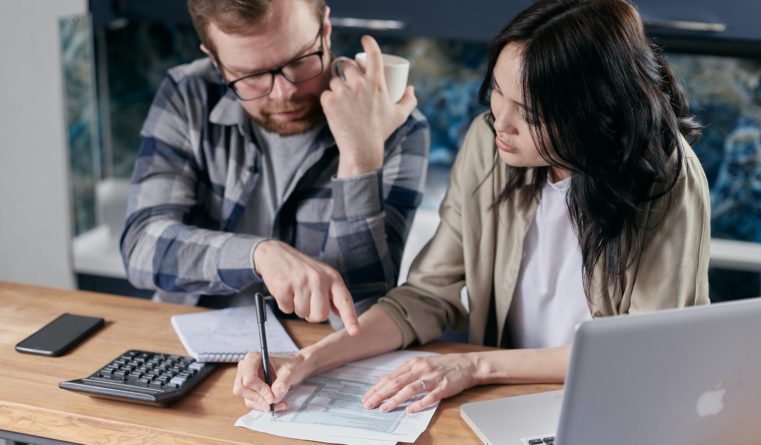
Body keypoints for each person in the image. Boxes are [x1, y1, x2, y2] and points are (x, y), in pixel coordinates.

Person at [233, 0, 711, 414]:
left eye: (529, 113)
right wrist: (309, 359)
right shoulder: (489, 145)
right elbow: (425, 296)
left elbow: (643, 352)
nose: (499, 122)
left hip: (611, 404)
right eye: (498, 93)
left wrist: (475, 364)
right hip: (505, 402)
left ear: (593, 113)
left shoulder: (667, 178)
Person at [120, 0, 430, 333]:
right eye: (250, 75)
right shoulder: (188, 95)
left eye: (299, 61)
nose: (284, 93)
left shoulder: (397, 127)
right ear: (216, 62)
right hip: (186, 342)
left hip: (317, 357)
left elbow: (362, 315)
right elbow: (141, 246)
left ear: (325, 30)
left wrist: (360, 158)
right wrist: (259, 256)